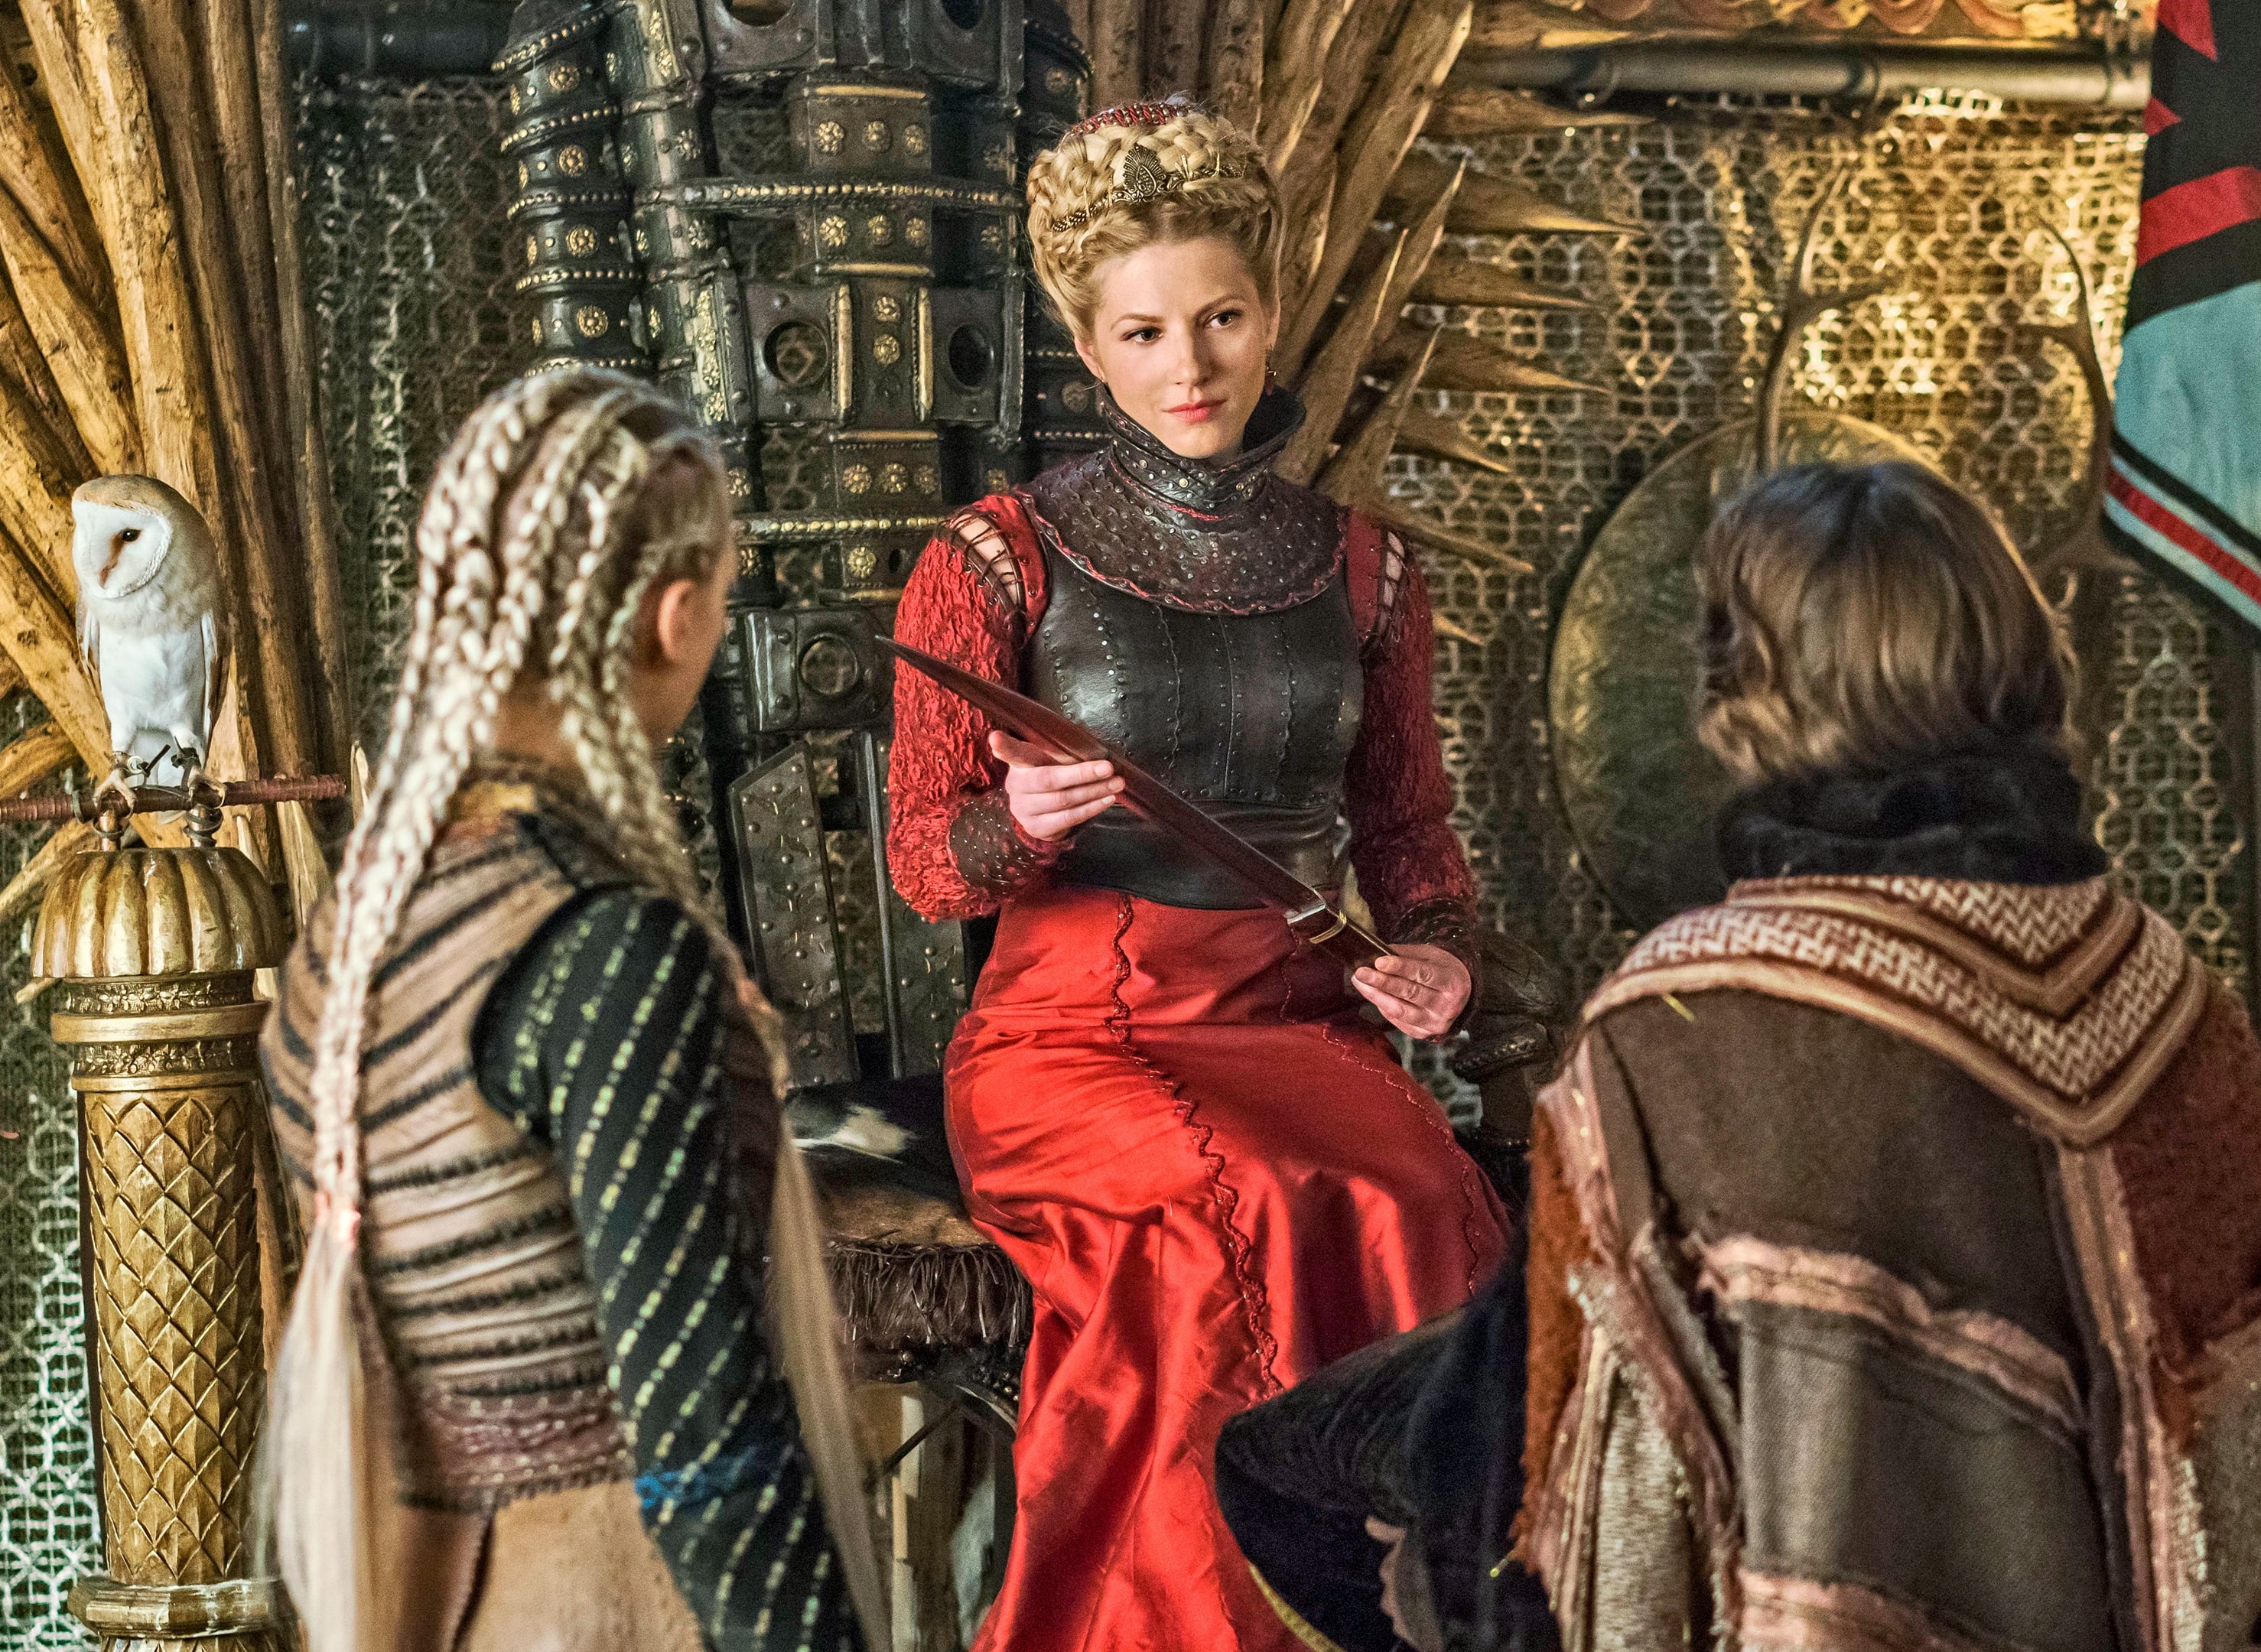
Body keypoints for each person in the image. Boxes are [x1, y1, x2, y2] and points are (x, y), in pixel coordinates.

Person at [1223, 460, 2261, 1652]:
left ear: (1746, 693)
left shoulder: (1683, 1025)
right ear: (2021, 660)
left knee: (1285, 1469)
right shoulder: (2176, 995)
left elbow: (1565, 1495)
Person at [884, 96, 1509, 1651]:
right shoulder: (991, 558)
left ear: (1270, 311)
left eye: (1222, 318)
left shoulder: (1370, 567)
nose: (1192, 366)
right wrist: (1024, 820)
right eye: (1146, 333)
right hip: (1070, 1036)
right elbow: (923, 863)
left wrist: (1437, 953)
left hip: (1298, 1016)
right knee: (1217, 1211)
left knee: (1423, 1196)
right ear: (1089, 351)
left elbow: (1409, 839)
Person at [259, 369, 884, 1652]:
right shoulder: (605, 946)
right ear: (674, 616)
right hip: (610, 1608)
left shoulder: (352, 939)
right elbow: (707, 1446)